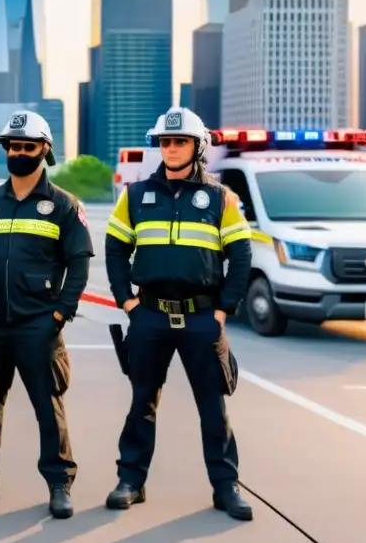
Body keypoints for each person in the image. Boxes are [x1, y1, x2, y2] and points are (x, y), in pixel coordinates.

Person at [103, 106, 253, 521]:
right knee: (141, 404)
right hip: (148, 315)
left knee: (212, 406)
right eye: (165, 142)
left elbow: (241, 255)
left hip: (202, 318)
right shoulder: (135, 196)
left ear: (197, 146)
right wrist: (126, 301)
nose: (170, 149)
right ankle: (130, 481)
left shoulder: (221, 198)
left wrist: (225, 310)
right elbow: (115, 248)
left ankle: (226, 488)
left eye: (179, 141)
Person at [0, 110, 93, 520]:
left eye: (27, 147)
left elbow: (79, 264)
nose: (18, 152)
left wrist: (60, 315)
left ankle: (59, 481)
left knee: (48, 407)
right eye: (12, 146)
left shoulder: (64, 206)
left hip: (39, 325)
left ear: (44, 151)